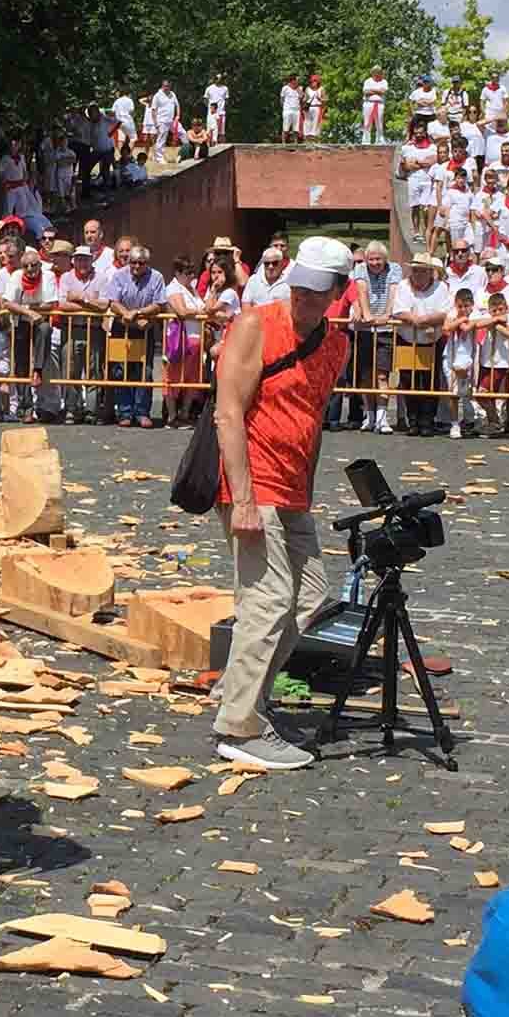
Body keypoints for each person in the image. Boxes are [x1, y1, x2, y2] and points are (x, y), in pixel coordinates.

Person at [208, 235, 359, 771]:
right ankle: (239, 726)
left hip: (292, 491)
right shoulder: (253, 325)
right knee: (266, 600)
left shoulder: (337, 346)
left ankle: (243, 692)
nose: (303, 297)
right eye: (299, 285)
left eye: (317, 290)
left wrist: (306, 496)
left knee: (311, 594)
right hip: (254, 484)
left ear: (340, 291)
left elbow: (312, 423)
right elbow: (229, 413)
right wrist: (243, 498)